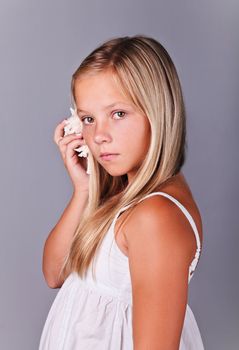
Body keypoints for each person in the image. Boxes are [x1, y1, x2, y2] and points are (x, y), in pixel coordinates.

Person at [39, 34, 205, 349]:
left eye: (118, 114)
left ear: (156, 112)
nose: (99, 135)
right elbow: (55, 273)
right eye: (88, 119)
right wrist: (83, 191)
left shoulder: (155, 217)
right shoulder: (124, 199)